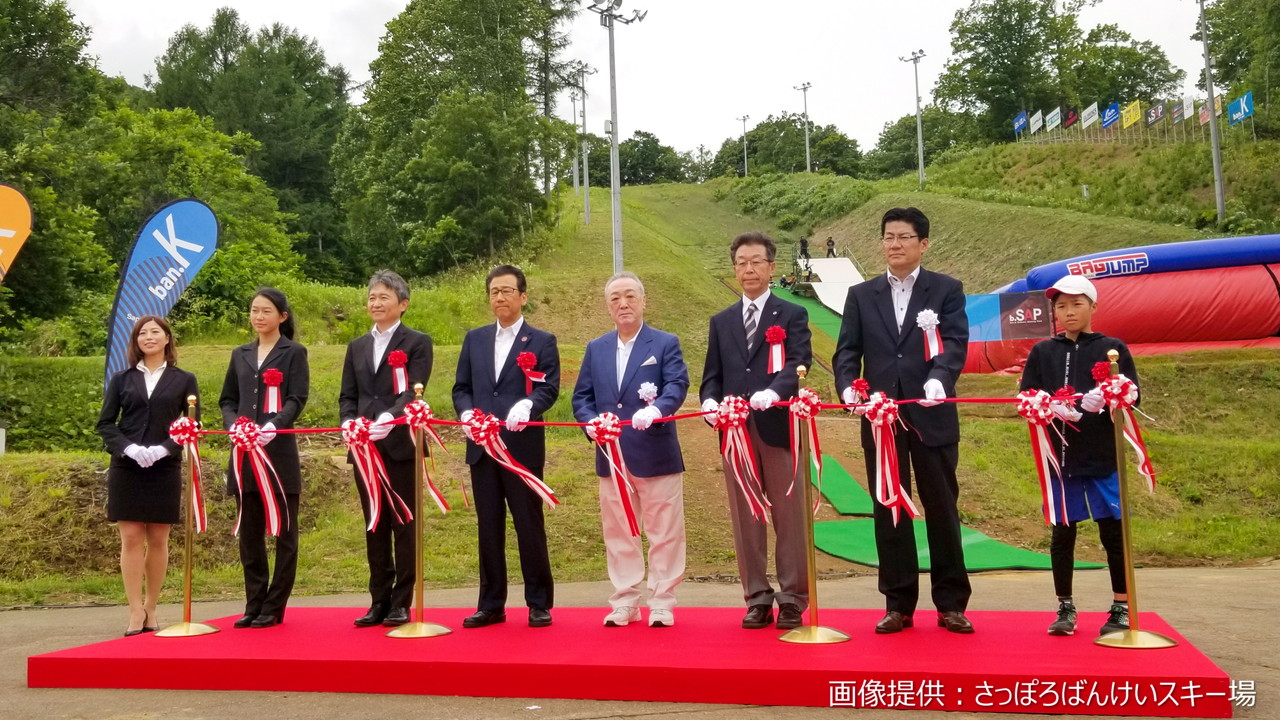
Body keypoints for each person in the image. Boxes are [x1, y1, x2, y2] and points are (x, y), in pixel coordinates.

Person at [832, 206, 974, 634]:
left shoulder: (946, 289)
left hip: (931, 415)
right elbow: (846, 352)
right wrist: (848, 388)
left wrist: (940, 379)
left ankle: (951, 604)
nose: (894, 245)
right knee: (888, 510)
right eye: (888, 237)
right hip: (881, 419)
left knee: (942, 509)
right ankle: (898, 603)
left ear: (923, 244)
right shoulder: (862, 294)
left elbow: (954, 343)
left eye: (903, 237)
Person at [700, 232, 812, 630]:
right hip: (735, 433)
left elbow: (800, 363)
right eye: (741, 262)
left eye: (756, 262)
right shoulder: (722, 321)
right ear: (734, 269)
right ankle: (757, 597)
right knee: (746, 516)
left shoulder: (792, 314)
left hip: (777, 426)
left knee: (789, 515)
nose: (748, 269)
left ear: (770, 267)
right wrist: (709, 404)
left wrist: (775, 390)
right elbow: (712, 375)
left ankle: (794, 597)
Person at [1018, 274, 1138, 637]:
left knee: (1113, 532)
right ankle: (1065, 607)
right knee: (1062, 533)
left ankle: (1120, 606)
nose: (1068, 312)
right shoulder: (1043, 351)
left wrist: (1108, 399)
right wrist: (1049, 407)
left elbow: (1133, 396)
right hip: (1061, 459)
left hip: (1102, 457)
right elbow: (1026, 397)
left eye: (1076, 304)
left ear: (1093, 306)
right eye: (1061, 306)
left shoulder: (1111, 348)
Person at [572, 272, 690, 628]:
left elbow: (677, 384)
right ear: (608, 308)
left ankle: (663, 600)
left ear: (643, 301)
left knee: (665, 531)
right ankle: (625, 599)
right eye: (615, 299)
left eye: (629, 297)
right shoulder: (597, 348)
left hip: (655, 453)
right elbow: (582, 396)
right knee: (619, 532)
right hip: (611, 455)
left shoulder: (665, 343)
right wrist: (589, 423)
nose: (623, 304)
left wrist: (657, 410)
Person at [453, 265, 560, 628]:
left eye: (507, 291)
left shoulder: (542, 341)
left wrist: (529, 405)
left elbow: (548, 387)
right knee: (489, 526)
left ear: (523, 296)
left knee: (528, 523)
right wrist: (466, 414)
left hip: (521, 447)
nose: (500, 297)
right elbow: (461, 387)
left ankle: (538, 601)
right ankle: (491, 603)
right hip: (482, 447)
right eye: (494, 291)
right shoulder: (475, 339)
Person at [339, 270, 433, 628]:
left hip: (399, 444)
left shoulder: (417, 342)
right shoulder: (357, 346)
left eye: (384, 297)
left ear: (403, 304)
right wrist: (349, 421)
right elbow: (349, 394)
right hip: (364, 447)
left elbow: (414, 389)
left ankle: (401, 601)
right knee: (374, 522)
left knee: (403, 523)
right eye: (372, 298)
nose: (376, 303)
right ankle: (378, 599)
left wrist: (389, 419)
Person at [97, 316, 199, 636]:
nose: (149, 337)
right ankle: (134, 610)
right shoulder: (122, 378)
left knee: (158, 539)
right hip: (127, 465)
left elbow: (193, 425)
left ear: (167, 339)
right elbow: (106, 424)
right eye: (143, 333)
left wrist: (164, 449)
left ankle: (152, 607)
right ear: (136, 341)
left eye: (156, 332)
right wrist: (128, 449)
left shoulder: (184, 379)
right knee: (130, 538)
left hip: (163, 466)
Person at [219, 288, 310, 629]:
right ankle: (253, 602)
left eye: (266, 311)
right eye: (254, 310)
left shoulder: (293, 352)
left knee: (285, 534)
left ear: (282, 316)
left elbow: (296, 398)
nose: (259, 316)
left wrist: (274, 426)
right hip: (244, 454)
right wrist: (235, 426)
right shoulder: (240, 353)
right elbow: (227, 399)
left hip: (278, 453)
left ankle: (275, 605)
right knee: (250, 533)